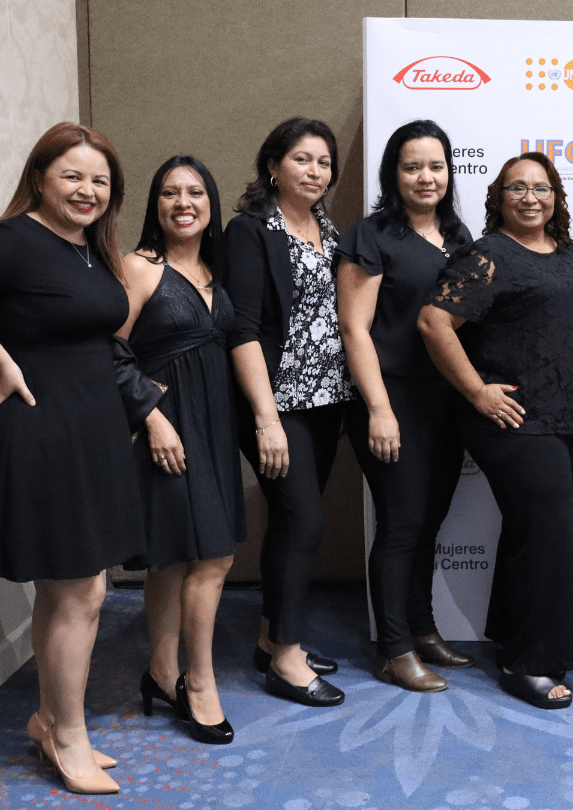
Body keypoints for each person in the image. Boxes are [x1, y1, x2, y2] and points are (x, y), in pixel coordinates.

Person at [0, 122, 136, 794]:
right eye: (73, 175)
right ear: (40, 177)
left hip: (89, 428)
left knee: (68, 590)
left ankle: (50, 718)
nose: (88, 190)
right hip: (41, 428)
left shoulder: (91, 250)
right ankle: (68, 737)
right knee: (82, 592)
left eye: (100, 181)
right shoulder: (9, 241)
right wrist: (0, 358)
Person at [418, 153, 573, 709]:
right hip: (513, 422)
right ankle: (528, 663)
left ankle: (512, 638)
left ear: (556, 197)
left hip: (568, 420)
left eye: (541, 187)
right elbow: (433, 320)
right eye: (517, 187)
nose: (530, 197)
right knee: (547, 540)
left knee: (533, 535)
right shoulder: (488, 255)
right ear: (500, 196)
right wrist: (476, 391)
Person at [337, 120, 475, 693]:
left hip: (445, 404)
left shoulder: (461, 237)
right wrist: (379, 408)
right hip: (388, 399)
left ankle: (422, 629)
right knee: (401, 524)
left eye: (436, 165)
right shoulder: (373, 235)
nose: (426, 177)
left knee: (429, 524)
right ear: (393, 174)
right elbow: (355, 328)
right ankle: (393, 648)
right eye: (412, 166)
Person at [115, 156, 242, 744]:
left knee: (171, 556)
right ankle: (200, 683)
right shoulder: (139, 269)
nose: (182, 202)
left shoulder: (219, 272)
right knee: (212, 558)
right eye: (169, 193)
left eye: (194, 192)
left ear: (211, 203)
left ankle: (162, 673)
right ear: (155, 206)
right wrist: (151, 415)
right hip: (166, 429)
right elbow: (105, 349)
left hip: (215, 425)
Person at [225, 117, 350, 707]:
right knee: (304, 522)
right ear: (272, 166)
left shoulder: (327, 227)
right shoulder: (250, 231)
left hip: (328, 400)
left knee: (292, 519)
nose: (315, 171)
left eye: (324, 162)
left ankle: (273, 634)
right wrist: (267, 418)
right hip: (278, 402)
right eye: (302, 159)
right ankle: (287, 660)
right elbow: (243, 329)